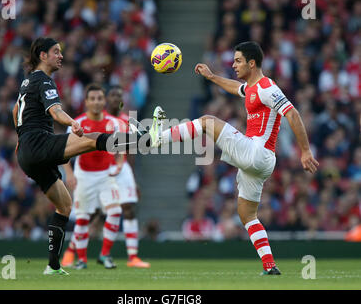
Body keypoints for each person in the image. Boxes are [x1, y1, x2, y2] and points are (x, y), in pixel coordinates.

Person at [135, 41, 319, 275]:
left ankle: (156, 139)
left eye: (238, 61)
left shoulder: (266, 87)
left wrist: (305, 150)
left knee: (206, 122)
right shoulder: (252, 87)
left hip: (256, 152)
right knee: (247, 214)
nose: (233, 65)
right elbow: (236, 88)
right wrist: (212, 76)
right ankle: (270, 266)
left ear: (252, 63)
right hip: (261, 162)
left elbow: (292, 113)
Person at [13, 37, 146, 275]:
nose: (61, 56)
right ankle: (140, 139)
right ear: (42, 56)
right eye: (55, 52)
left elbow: (16, 110)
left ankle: (53, 266)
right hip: (38, 143)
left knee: (64, 206)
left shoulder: (26, 82)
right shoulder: (44, 80)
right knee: (93, 139)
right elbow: (55, 111)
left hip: (26, 152)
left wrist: (19, 139)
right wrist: (73, 122)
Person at [60, 84, 123, 270]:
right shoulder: (76, 124)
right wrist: (69, 174)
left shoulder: (114, 123)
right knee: (82, 218)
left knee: (115, 211)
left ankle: (105, 255)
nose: (96, 102)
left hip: (106, 175)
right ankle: (82, 260)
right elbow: (64, 152)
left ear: (104, 101)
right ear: (86, 102)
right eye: (92, 99)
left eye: (99, 98)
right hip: (84, 176)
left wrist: (119, 164)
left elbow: (121, 147)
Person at [105, 85, 150, 268]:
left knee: (129, 209)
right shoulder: (101, 120)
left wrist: (131, 177)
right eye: (113, 95)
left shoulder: (127, 121)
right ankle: (73, 252)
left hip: (122, 168)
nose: (116, 99)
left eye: (119, 96)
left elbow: (131, 151)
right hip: (102, 170)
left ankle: (133, 257)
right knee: (94, 213)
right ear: (107, 99)